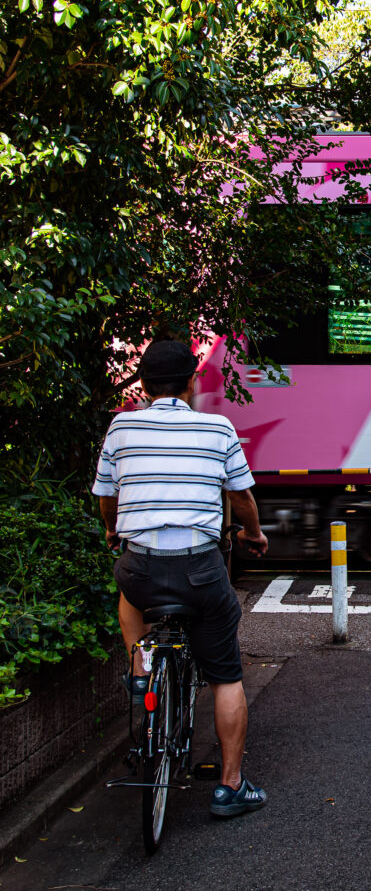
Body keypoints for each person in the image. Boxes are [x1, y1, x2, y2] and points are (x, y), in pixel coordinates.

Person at [92, 339, 270, 819]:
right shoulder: (216, 427)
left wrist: (113, 530)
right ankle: (231, 786)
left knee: (127, 586)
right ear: (192, 382)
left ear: (143, 385)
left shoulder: (121, 425)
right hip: (200, 569)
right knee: (226, 676)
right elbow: (243, 498)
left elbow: (107, 495)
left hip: (143, 569)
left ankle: (140, 668)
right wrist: (253, 535)